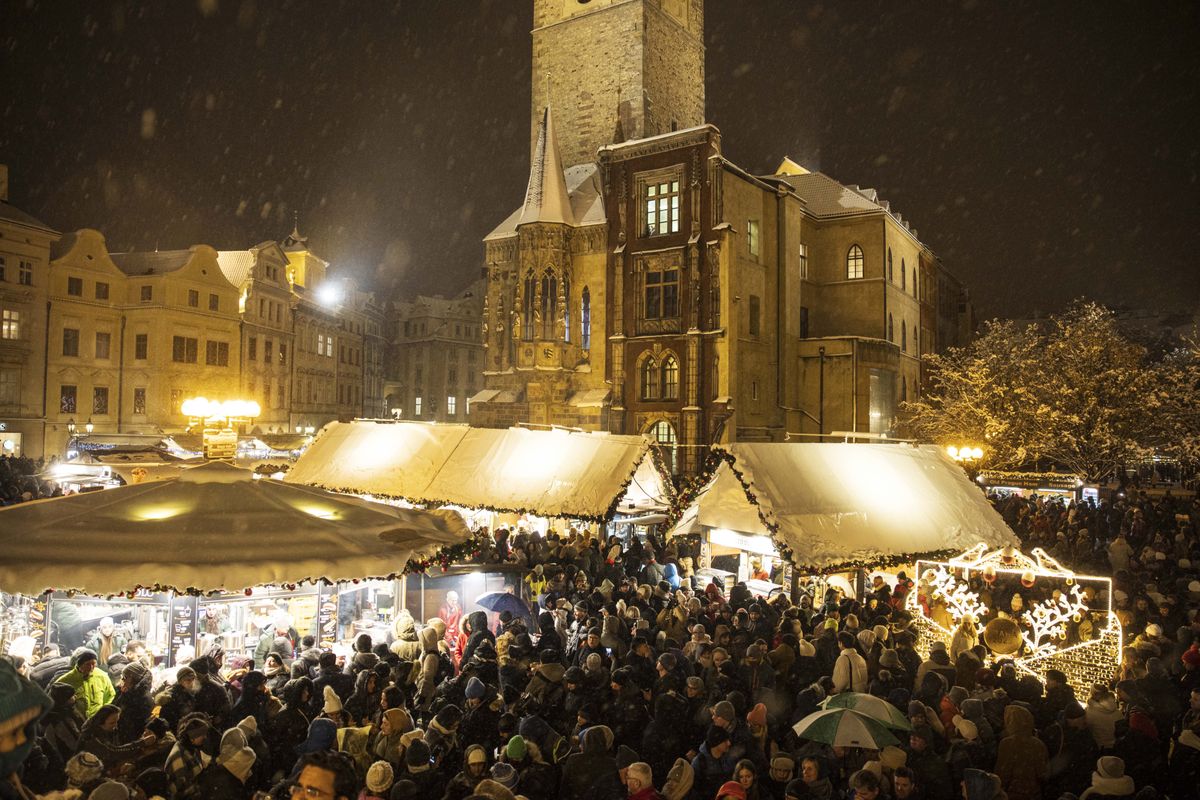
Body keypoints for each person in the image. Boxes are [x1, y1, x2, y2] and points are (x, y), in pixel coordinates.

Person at [55, 649, 115, 719]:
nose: (91, 667)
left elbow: (110, 695)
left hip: (97, 722)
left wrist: (103, 714)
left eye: (93, 663)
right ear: (79, 664)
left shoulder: (102, 676)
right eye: (87, 664)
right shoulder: (65, 680)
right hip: (76, 722)